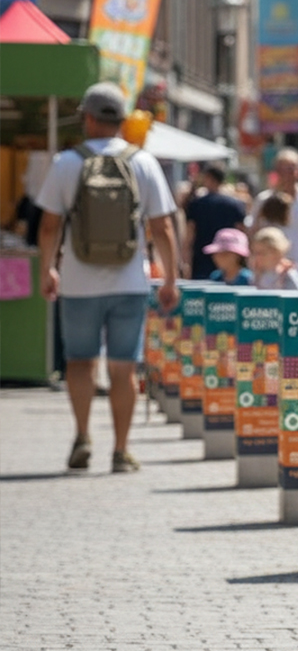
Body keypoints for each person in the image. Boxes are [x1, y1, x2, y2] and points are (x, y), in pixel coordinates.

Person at [35, 81, 179, 472]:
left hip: (78, 281)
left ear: (88, 118)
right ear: (121, 119)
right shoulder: (143, 162)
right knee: (123, 367)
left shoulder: (68, 162)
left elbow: (50, 225)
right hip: (129, 281)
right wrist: (169, 278)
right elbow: (163, 227)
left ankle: (82, 435)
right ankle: (121, 449)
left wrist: (48, 267)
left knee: (80, 362)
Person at [248, 148, 298, 287]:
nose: (286, 175)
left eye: (291, 169)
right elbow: (254, 232)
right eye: (281, 170)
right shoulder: (263, 200)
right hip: (271, 274)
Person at [183, 163, 246, 280]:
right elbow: (241, 233)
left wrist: (186, 262)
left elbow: (189, 236)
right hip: (231, 259)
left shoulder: (196, 204)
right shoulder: (235, 205)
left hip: (201, 261)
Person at [250, 227, 298, 291]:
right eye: (255, 253)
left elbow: (297, 298)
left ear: (277, 253)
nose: (257, 257)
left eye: (262, 253)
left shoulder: (287, 275)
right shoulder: (257, 275)